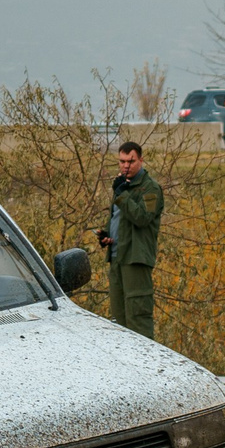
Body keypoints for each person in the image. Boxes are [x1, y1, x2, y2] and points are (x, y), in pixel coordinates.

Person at [97, 141, 163, 339]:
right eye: (122, 161)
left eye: (131, 161)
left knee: (137, 320)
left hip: (136, 260)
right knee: (119, 322)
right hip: (117, 258)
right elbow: (119, 219)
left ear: (141, 160)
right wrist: (107, 235)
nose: (126, 166)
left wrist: (122, 195)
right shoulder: (122, 186)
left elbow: (142, 218)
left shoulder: (151, 189)